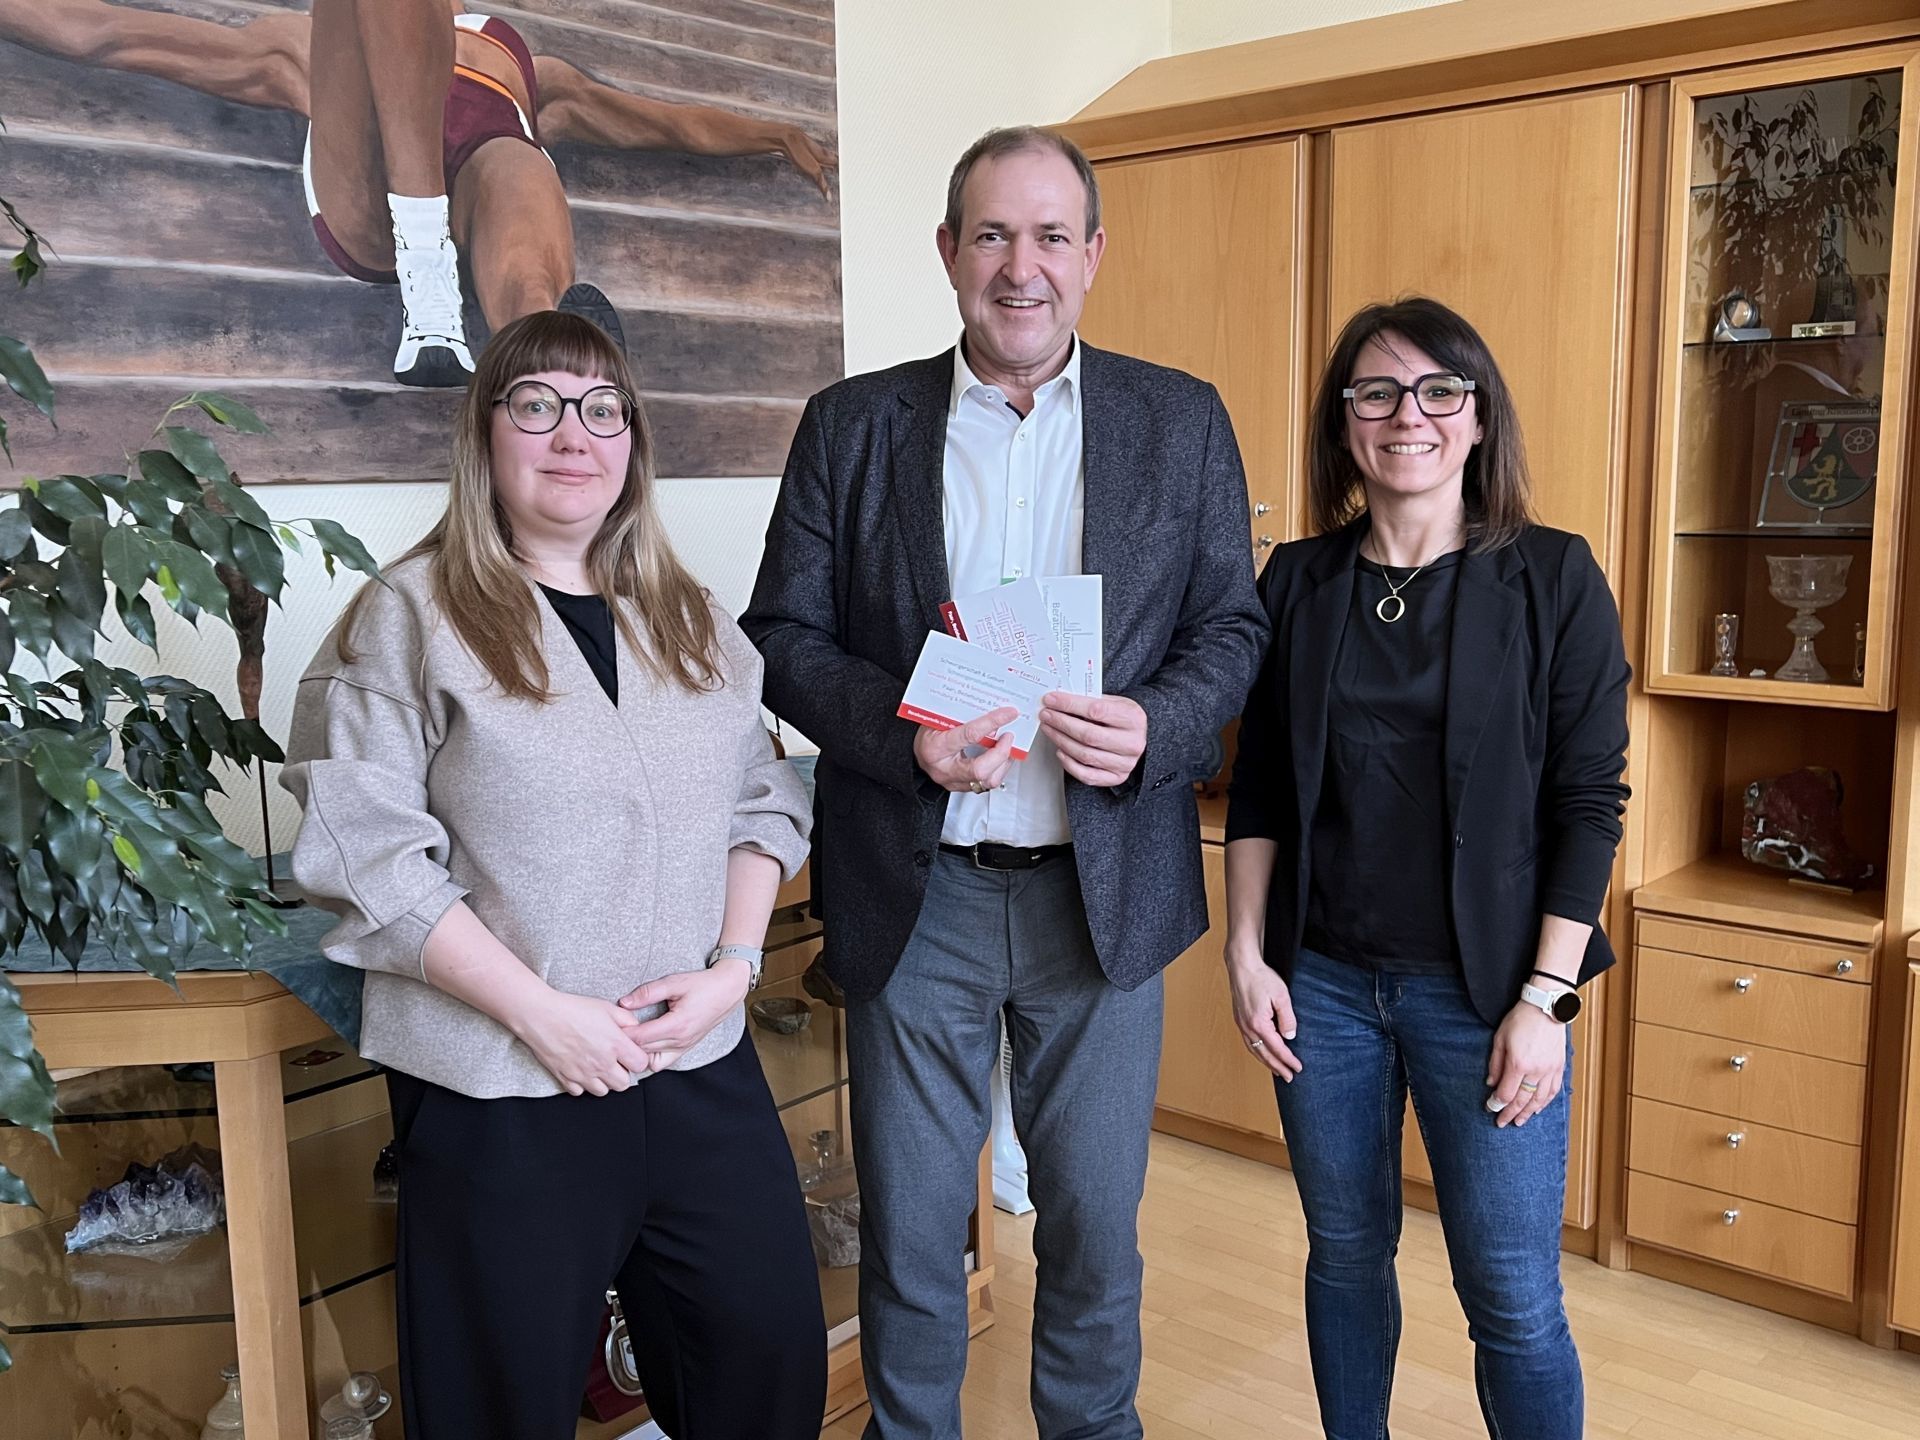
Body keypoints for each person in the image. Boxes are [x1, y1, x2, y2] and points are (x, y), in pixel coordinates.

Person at [741, 126, 1267, 1439]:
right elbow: (783, 638)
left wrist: (1155, 724)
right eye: (991, 235)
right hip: (920, 894)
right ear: (948, 254)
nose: (1019, 268)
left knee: (1093, 1233)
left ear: (1093, 256)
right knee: (915, 1241)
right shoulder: (851, 428)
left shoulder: (1180, 418)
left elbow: (1234, 629)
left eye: (1048, 237)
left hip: (1104, 892)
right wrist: (898, 731)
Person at [280, 311, 825, 1438]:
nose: (573, 433)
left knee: (764, 1371)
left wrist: (733, 969)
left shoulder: (693, 619)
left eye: (602, 409)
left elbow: (761, 798)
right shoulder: (408, 616)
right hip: (501, 1091)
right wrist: (542, 1016)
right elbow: (365, 853)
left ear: (633, 443)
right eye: (537, 404)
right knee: (498, 1407)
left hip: (695, 1067)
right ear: (485, 435)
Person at [1222, 296, 1630, 1440]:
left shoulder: (1553, 579)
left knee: (1508, 1295)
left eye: (1439, 391)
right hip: (1326, 992)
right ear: (1344, 422)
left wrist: (1547, 1000)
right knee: (1346, 1257)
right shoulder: (1295, 585)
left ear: (1480, 417)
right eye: (1377, 392)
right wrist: (1248, 954)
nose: (1410, 416)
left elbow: (1589, 806)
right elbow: (1256, 789)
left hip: (1489, 998)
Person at [0, 0, 837, 384]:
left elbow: (668, 126)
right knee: (476, 140)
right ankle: (422, 255)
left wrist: (774, 134)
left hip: (483, 182)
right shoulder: (299, 44)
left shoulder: (525, 66)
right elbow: (104, 33)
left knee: (515, 160)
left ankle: (549, 372)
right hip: (371, 196)